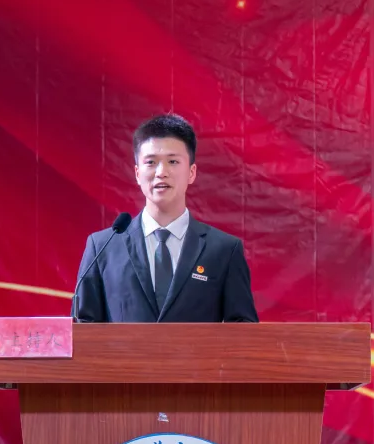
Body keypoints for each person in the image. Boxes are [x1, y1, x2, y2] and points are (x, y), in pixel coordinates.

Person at [72, 114, 259, 323]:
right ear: (137, 173)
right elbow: (82, 327)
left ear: (191, 172)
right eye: (151, 162)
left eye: (173, 161)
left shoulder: (224, 250)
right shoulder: (103, 247)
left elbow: (243, 329)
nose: (161, 172)